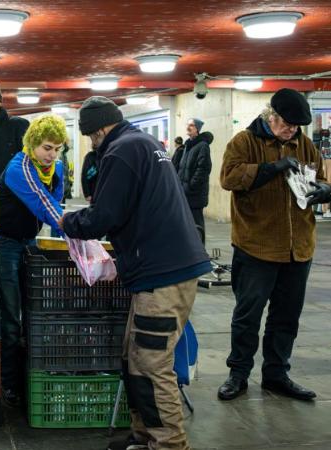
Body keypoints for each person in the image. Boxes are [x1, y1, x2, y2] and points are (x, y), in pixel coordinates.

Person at [56, 96, 210, 450]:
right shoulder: (144, 143)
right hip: (165, 268)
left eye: (91, 137)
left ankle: (170, 444)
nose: (93, 144)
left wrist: (68, 222)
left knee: (153, 364)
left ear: (97, 131)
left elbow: (104, 216)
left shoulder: (120, 152)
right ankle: (144, 435)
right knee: (135, 357)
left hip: (163, 273)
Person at [217, 88, 331, 403]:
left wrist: (324, 190)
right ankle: (238, 374)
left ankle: (276, 375)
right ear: (272, 116)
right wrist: (271, 169)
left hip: (298, 248)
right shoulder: (244, 142)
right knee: (248, 315)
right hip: (257, 247)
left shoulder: (304, 144)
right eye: (288, 124)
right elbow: (229, 177)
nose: (292, 131)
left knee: (286, 316)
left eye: (297, 126)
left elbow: (320, 176)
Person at [0, 114, 65, 406]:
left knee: (34, 311)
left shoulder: (57, 168)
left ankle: (28, 377)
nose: (52, 155)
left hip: (29, 242)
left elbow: (56, 206)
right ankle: (8, 383)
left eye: (58, 149)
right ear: (33, 144)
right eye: (47, 148)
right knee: (11, 318)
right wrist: (82, 229)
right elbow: (44, 204)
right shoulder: (18, 168)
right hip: (5, 245)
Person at [176, 119, 212, 243]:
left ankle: (200, 253)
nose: (188, 127)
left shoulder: (202, 146)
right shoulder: (188, 145)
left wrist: (191, 187)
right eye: (188, 125)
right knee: (187, 226)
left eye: (191, 125)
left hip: (194, 194)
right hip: (185, 193)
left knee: (197, 226)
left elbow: (203, 169)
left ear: (197, 129)